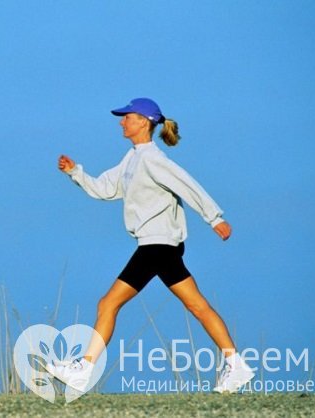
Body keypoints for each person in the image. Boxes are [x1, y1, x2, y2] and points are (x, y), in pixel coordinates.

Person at [53, 98, 254, 394]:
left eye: (127, 117)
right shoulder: (132, 159)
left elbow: (187, 184)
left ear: (144, 122)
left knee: (108, 304)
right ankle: (236, 365)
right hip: (159, 246)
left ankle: (83, 370)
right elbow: (105, 189)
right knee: (197, 306)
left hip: (157, 245)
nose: (122, 122)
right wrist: (75, 172)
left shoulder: (152, 159)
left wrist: (215, 218)